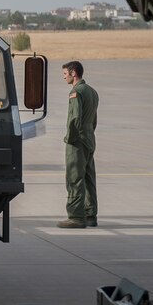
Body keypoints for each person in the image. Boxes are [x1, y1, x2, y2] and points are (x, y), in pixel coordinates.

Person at [57, 60, 99, 228]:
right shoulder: (93, 92)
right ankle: (90, 215)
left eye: (65, 74)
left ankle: (75, 216)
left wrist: (70, 138)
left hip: (77, 142)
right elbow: (94, 119)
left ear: (74, 73)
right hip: (89, 139)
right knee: (89, 178)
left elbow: (75, 118)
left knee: (75, 178)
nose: (64, 77)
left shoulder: (76, 92)